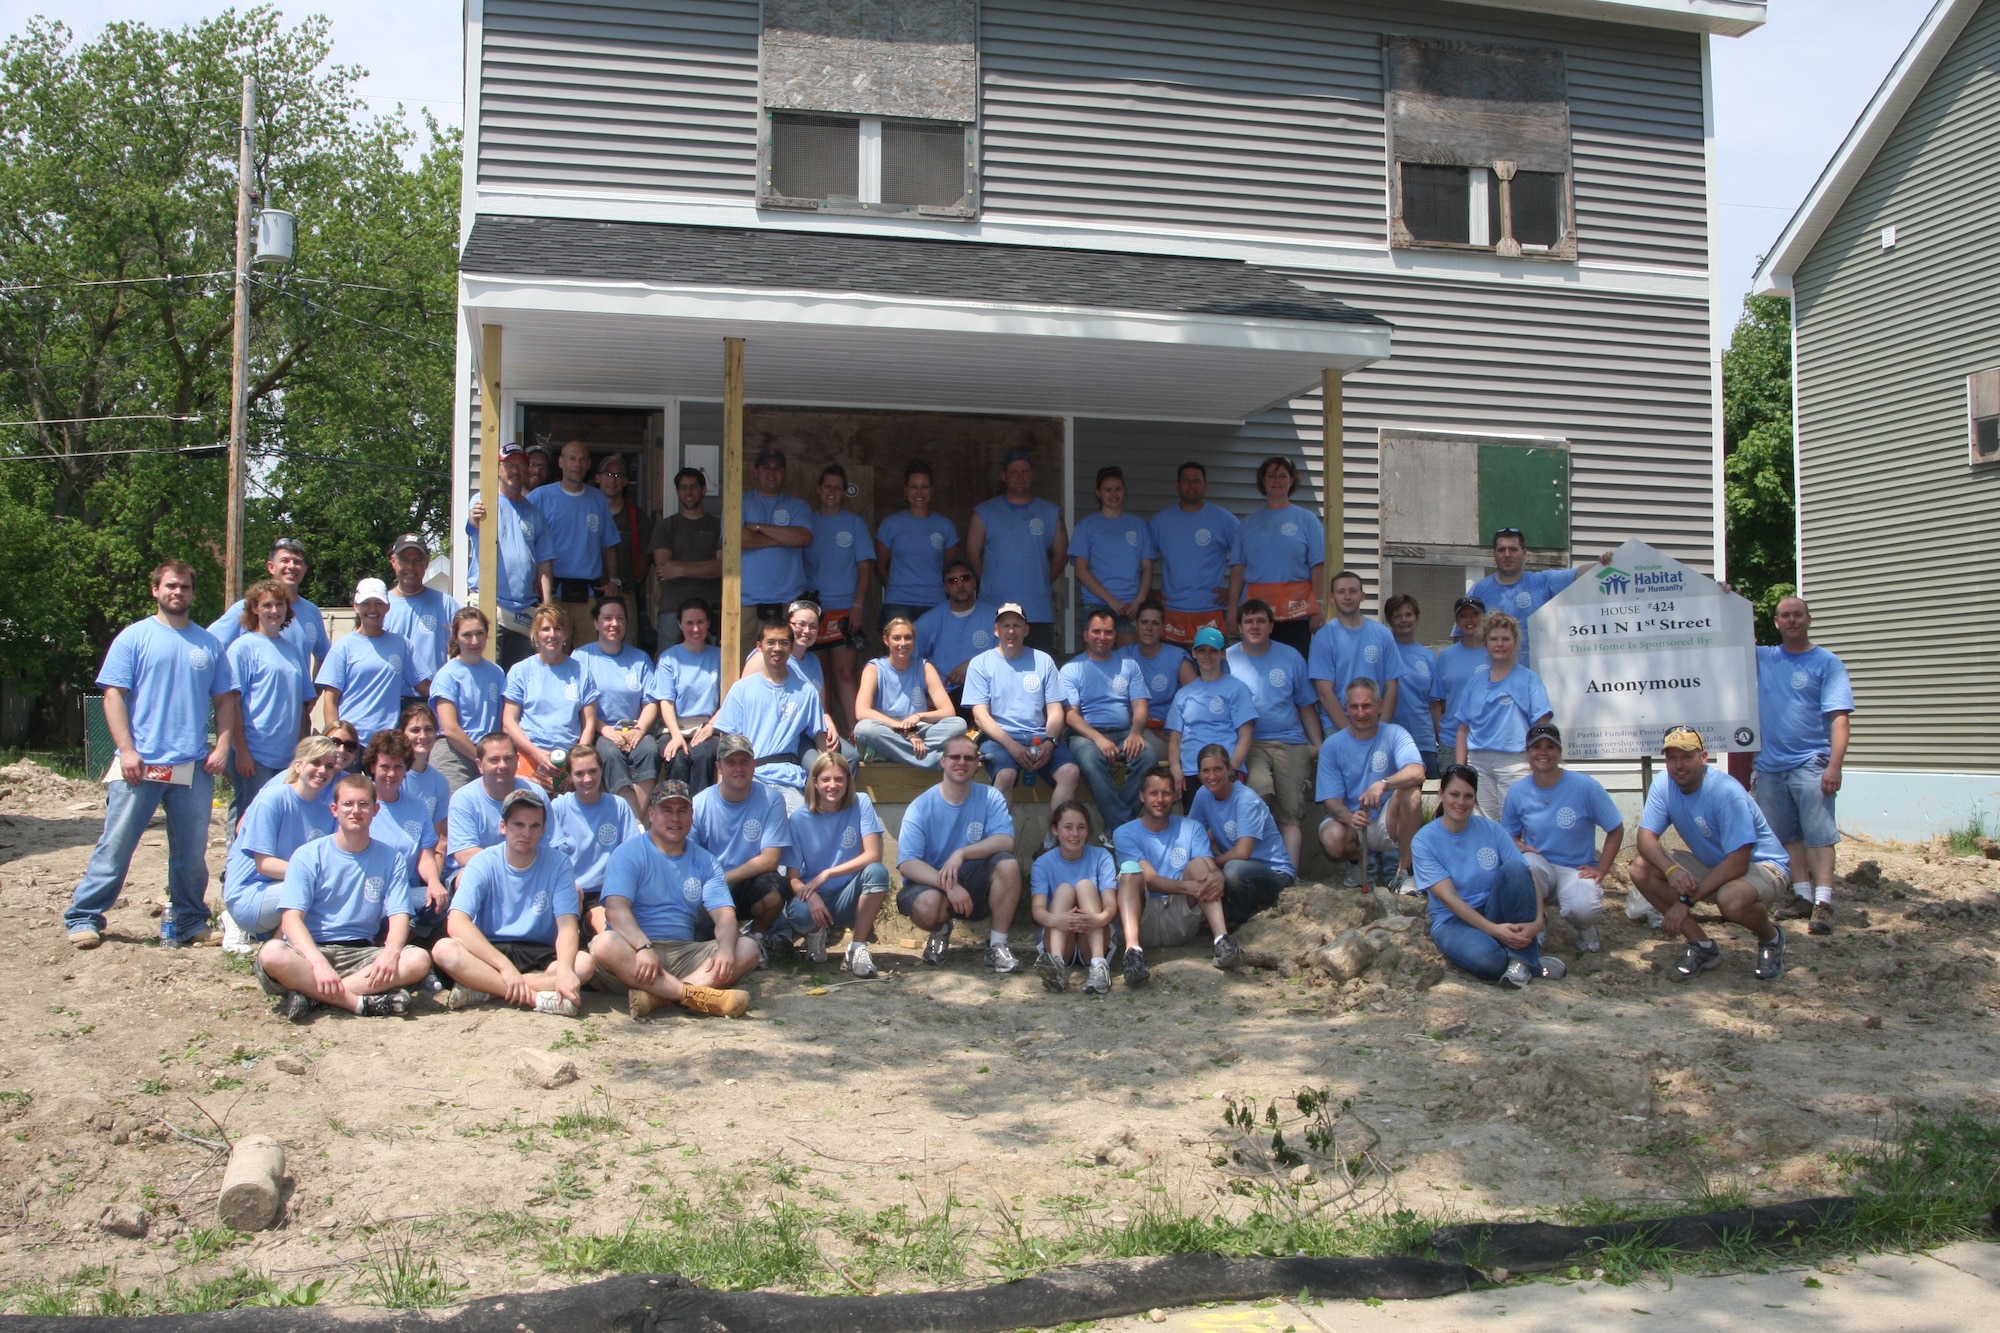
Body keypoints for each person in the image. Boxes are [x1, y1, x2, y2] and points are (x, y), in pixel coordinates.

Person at [66, 561, 238, 950]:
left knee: (192, 854)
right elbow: (113, 695)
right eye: (171, 586)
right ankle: (84, 917)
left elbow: (225, 699)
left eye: (186, 587)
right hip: (140, 765)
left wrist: (223, 746)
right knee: (117, 846)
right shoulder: (134, 638)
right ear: (155, 590)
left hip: (191, 766)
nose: (178, 593)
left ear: (194, 593)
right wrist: (126, 750)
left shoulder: (208, 644)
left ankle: (191, 920)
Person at [253, 774, 431, 1021]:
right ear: (334, 810)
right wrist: (317, 962)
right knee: (272, 953)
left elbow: (399, 914)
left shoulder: (392, 858)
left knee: (417, 959)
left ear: (375, 810)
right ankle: (358, 1003)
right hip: (311, 950)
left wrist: (391, 952)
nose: (355, 811)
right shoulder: (307, 856)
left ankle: (315, 995)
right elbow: (291, 919)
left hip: (361, 952)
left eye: (363, 804)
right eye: (348, 804)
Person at [1631, 727, 1791, 983]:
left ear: (1703, 757)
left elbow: (1738, 861)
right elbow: (1645, 838)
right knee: (1641, 868)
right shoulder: (1664, 783)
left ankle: (1770, 939)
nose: (1678, 765)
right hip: (1715, 865)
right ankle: (1702, 945)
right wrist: (1671, 870)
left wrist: (1684, 903)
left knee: (1732, 900)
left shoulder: (1726, 793)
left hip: (1762, 865)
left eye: (1686, 756)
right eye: (1671, 758)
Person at [591, 781, 755, 1018]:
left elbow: (725, 916)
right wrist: (643, 946)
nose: (675, 818)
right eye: (666, 810)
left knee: (746, 947)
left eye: (682, 811)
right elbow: (615, 910)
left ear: (691, 815)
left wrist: (727, 949)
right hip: (634, 953)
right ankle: (691, 995)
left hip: (684, 952)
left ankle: (661, 997)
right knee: (605, 944)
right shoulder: (628, 853)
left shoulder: (706, 861)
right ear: (651, 814)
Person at [435, 785, 593, 1016]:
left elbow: (567, 924)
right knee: (444, 950)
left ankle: (485, 989)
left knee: (583, 964)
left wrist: (566, 970)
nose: (526, 833)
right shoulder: (483, 862)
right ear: (503, 826)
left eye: (534, 826)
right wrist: (504, 966)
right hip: (491, 948)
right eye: (518, 824)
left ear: (543, 830)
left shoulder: (559, 864)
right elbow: (457, 923)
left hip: (539, 950)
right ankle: (534, 997)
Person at [1753, 596, 1855, 935]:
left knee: (1819, 836)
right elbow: (1727, 640)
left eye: (1798, 615)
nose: (1792, 620)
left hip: (1811, 762)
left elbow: (1840, 718)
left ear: (1808, 620)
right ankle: (1802, 896)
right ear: (1777, 623)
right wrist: (1728, 596)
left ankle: (1824, 902)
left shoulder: (1827, 663)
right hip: (1769, 765)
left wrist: (1834, 767)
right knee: (1787, 837)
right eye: (1785, 616)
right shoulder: (1764, 658)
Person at [1413, 765, 1558, 987]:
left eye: (1468, 796)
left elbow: (1524, 875)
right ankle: (1529, 962)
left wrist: (1537, 922)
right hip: (1453, 921)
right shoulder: (1424, 841)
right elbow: (1450, 899)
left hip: (1493, 909)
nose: (1460, 802)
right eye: (1454, 794)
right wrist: (1495, 931)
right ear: (1441, 793)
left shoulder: (1492, 830)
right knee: (1490, 962)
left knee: (1515, 869)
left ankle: (1520, 962)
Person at [895, 732, 1026, 973]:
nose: (962, 762)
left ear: (977, 764)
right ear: (943, 761)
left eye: (969, 758)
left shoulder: (990, 796)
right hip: (931, 881)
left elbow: (1006, 840)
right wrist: (947, 885)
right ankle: (940, 930)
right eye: (955, 757)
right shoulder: (921, 806)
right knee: (927, 907)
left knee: (1007, 865)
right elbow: (908, 862)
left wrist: (962, 853)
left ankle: (997, 945)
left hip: (973, 877)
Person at [1501, 722, 1622, 954]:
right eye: (1537, 747)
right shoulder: (1518, 791)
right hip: (1541, 864)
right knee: (1523, 866)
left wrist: (1602, 869)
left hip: (1576, 868)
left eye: (1550, 746)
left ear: (1559, 752)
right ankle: (1536, 921)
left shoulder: (1585, 787)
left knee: (1583, 909)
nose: (1543, 753)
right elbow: (1508, 832)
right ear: (1528, 753)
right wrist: (1519, 844)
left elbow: (1615, 828)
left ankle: (1585, 927)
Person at [1113, 769, 1244, 982]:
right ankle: (1133, 953)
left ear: (1175, 796)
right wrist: (1188, 887)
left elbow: (1209, 867)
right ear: (1142, 796)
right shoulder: (1124, 833)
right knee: (1129, 871)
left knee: (1201, 865)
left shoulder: (1192, 827)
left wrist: (1219, 876)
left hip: (1182, 915)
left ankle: (1222, 941)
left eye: (1166, 793)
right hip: (1146, 917)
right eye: (1153, 793)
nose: (1160, 799)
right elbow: (1150, 880)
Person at [219, 737, 342, 954]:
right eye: (316, 762)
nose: (322, 771)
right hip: (250, 893)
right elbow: (264, 865)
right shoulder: (273, 799)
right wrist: (314, 874)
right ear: (298, 765)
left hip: (287, 892)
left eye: (329, 766)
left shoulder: (327, 812)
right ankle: (279, 947)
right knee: (312, 884)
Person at [1225, 600, 1322, 864]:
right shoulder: (1228, 659)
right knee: (1258, 795)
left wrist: (1318, 744)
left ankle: (1288, 876)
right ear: (1240, 627)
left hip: (1289, 743)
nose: (1254, 626)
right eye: (1249, 621)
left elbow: (1305, 704)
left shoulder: (1291, 657)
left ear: (1271, 626)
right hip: (1250, 742)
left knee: (1290, 813)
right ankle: (1258, 866)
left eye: (1260, 621)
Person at [782, 751, 890, 974]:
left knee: (877, 872)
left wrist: (827, 874)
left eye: (839, 778)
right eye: (826, 779)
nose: (833, 785)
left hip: (849, 895)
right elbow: (792, 878)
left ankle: (858, 947)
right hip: (815, 897)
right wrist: (811, 895)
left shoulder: (861, 803)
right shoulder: (799, 819)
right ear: (815, 782)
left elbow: (872, 854)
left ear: (848, 781)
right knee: (797, 911)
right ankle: (815, 933)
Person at [966, 603, 1081, 809]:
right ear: (996, 630)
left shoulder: (1043, 661)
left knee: (1070, 773)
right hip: (1000, 738)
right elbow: (980, 716)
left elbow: (1055, 711)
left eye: (1017, 625)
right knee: (1006, 776)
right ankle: (1002, 839)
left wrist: (1050, 741)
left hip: (1040, 737)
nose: (1011, 631)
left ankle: (1052, 840)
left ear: (1026, 630)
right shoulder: (980, 663)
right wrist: (1012, 746)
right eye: (1005, 625)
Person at [1316, 679, 1425, 892]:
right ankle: (1359, 863)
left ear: (1380, 706)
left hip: (1387, 819)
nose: (1360, 713)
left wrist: (1383, 784)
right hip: (1353, 823)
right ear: (1346, 708)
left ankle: (1405, 872)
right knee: (1331, 839)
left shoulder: (1395, 734)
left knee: (1412, 793)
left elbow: (1417, 771)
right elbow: (1331, 802)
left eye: (1367, 705)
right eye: (1354, 706)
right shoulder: (1332, 746)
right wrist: (1349, 817)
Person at [224, 577, 314, 828]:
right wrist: (241, 751)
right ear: (254, 609)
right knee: (250, 818)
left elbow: (303, 706)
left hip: (286, 756)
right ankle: (237, 867)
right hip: (255, 754)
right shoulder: (242, 649)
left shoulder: (292, 650)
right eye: (267, 606)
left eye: (279, 605)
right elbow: (232, 704)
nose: (274, 611)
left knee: (283, 818)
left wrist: (302, 752)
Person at [691, 734, 793, 955]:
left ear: (754, 765)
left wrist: (724, 879)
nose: (739, 768)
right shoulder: (699, 804)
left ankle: (756, 937)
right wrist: (712, 884)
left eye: (744, 761)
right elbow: (686, 856)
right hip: (710, 886)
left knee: (775, 888)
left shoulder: (772, 799)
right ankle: (728, 942)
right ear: (718, 766)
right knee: (699, 937)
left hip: (748, 883)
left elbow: (771, 859)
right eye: (731, 762)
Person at [715, 618, 827, 811]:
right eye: (771, 642)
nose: (777, 648)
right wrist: (722, 788)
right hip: (750, 777)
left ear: (791, 646)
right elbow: (725, 741)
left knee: (799, 829)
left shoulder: (807, 692)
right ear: (759, 646)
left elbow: (820, 739)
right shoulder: (742, 689)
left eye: (783, 643)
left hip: (789, 779)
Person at [1448, 611, 1552, 820]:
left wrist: (1538, 766)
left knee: (1515, 822)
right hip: (1478, 763)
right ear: (1485, 643)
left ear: (1515, 643)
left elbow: (1542, 728)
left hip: (1515, 763)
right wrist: (1460, 770)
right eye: (1494, 639)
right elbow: (1463, 729)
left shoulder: (1529, 680)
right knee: (1485, 823)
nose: (1500, 644)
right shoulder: (1475, 682)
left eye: (1506, 639)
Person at [1060, 608, 1154, 828]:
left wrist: (1136, 733)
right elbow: (1070, 715)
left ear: (1115, 635)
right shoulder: (1072, 669)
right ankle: (1124, 826)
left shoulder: (1129, 665)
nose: (1102, 637)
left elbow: (1140, 705)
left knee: (1147, 757)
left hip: (1124, 733)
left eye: (1108, 632)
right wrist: (1097, 738)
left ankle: (1116, 826)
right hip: (1086, 735)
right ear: (1085, 635)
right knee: (1091, 760)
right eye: (1097, 632)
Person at [466, 438, 556, 666]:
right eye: (508, 464)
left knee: (520, 678)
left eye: (519, 464)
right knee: (489, 674)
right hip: (490, 604)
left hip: (524, 610)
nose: (514, 470)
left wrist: (547, 605)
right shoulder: (483, 500)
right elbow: (473, 522)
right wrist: (474, 518)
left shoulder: (535, 514)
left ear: (526, 469)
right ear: (498, 468)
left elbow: (544, 561)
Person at [1465, 528, 1612, 667]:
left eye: (1513, 549)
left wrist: (1605, 563)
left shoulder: (1542, 582)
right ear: (1494, 553)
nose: (1507, 554)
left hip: (1537, 676)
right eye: (1502, 550)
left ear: (1524, 553)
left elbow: (1579, 573)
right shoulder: (1480, 590)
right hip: (1494, 678)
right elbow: (1462, 638)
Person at [967, 449, 1066, 654]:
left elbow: (1062, 555)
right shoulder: (984, 513)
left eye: (1025, 472)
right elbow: (972, 556)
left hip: (1037, 611)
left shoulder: (1050, 512)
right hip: (994, 609)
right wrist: (990, 582)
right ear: (1004, 476)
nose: (1019, 477)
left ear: (1032, 475)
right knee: (996, 674)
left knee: (1036, 675)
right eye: (1013, 472)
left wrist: (1040, 580)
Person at [1188, 744, 1295, 930]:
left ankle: (1241, 921)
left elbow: (1243, 851)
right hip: (1236, 868)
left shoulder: (1245, 799)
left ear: (1230, 769)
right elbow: (1190, 835)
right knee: (1197, 863)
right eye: (1206, 771)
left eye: (1218, 769)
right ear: (1199, 773)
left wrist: (1214, 866)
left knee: (1232, 869)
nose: (1212, 776)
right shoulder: (1203, 795)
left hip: (1274, 873)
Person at [1225, 456, 1326, 653]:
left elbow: (1318, 566)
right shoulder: (1248, 525)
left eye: (1282, 476)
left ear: (1291, 480)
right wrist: (1231, 610)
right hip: (1256, 614)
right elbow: (1238, 571)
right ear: (1263, 481)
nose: (1276, 480)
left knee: (1294, 668)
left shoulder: (1307, 520)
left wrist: (1318, 607)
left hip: (1298, 614)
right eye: (1271, 476)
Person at [531, 439, 622, 648]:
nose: (577, 464)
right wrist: (532, 577)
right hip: (553, 594)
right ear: (561, 462)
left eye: (582, 460)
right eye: (572, 459)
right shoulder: (540, 497)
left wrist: (613, 580)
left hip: (588, 595)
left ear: (589, 465)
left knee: (588, 656)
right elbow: (525, 542)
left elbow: (609, 545)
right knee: (553, 655)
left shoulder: (598, 499)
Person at [576, 596, 662, 816]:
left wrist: (639, 730)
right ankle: (635, 822)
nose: (614, 624)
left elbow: (651, 701)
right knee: (609, 754)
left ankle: (635, 820)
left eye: (620, 618)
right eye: (607, 618)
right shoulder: (581, 657)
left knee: (650, 749)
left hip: (634, 729)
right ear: (596, 623)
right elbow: (580, 705)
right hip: (601, 730)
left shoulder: (640, 658)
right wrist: (606, 730)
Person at [361, 730, 448, 945]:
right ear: (372, 767)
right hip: (366, 896)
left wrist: (435, 883)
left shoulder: (416, 806)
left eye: (398, 767)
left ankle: (390, 945)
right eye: (384, 767)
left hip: (404, 894)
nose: (391, 773)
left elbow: (425, 855)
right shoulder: (359, 803)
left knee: (441, 902)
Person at [804, 463, 872, 735]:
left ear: (844, 492)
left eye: (837, 487)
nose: (832, 491)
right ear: (819, 489)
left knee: (845, 674)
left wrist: (857, 606)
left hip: (845, 608)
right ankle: (825, 736)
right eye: (827, 486)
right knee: (820, 678)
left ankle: (856, 736)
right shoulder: (807, 521)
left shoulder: (854, 523)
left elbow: (865, 568)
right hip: (814, 611)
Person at [502, 604, 601, 791]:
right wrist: (536, 754)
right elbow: (509, 722)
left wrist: (576, 762)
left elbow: (588, 723)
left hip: (569, 762)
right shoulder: (520, 671)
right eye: (545, 629)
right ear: (536, 634)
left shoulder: (582, 672)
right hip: (529, 759)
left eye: (557, 628)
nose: (552, 634)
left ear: (565, 634)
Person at [316, 578, 426, 745]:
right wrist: (335, 740)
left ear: (388, 606)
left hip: (386, 742)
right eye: (366, 603)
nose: (372, 609)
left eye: (379, 603)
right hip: (350, 742)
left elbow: (424, 686)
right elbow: (330, 700)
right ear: (356, 606)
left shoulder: (401, 644)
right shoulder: (343, 647)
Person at [853, 616, 968, 770]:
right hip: (888, 729)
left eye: (908, 638)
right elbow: (861, 711)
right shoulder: (874, 668)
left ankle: (889, 753)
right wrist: (903, 729)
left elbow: (948, 711)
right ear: (886, 640)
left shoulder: (924, 666)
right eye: (896, 638)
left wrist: (919, 716)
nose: (903, 643)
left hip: (918, 729)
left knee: (959, 724)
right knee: (864, 729)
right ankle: (933, 760)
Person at [548, 741, 640, 933]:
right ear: (570, 776)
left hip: (606, 892)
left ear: (601, 770)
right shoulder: (558, 807)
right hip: (569, 890)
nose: (587, 779)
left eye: (592, 771)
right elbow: (549, 856)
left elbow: (631, 853)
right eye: (579, 774)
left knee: (610, 936)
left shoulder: (618, 805)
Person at [1030, 801, 1119, 995]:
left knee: (1085, 885)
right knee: (1064, 890)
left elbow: (1111, 905)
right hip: (1060, 934)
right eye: (1068, 828)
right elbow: (1037, 910)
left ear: (1088, 830)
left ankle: (1098, 966)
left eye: (1081, 828)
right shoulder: (1043, 863)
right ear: (1055, 829)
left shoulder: (1101, 856)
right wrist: (1058, 920)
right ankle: (1056, 965)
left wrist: (1099, 919)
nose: (1075, 834)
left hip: (1093, 933)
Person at [208, 537, 332, 674]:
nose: (291, 566)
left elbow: (325, 657)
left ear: (304, 569)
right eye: (284, 561)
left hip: (296, 695)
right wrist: (223, 691)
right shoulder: (246, 607)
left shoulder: (312, 612)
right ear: (271, 567)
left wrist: (313, 693)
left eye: (297, 562)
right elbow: (210, 648)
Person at [1149, 461, 1239, 648]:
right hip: (1171, 612)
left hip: (1211, 610)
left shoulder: (1223, 520)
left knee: (1213, 673)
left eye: (1196, 481)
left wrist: (1233, 590)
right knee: (1173, 674)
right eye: (1186, 481)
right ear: (1178, 485)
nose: (1191, 486)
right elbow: (1138, 561)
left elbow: (1248, 556)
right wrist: (1148, 592)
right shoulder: (1160, 521)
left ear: (1205, 485)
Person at [737, 599, 843, 757]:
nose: (806, 631)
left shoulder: (814, 661)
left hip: (814, 729)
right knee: (815, 764)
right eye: (800, 624)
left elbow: (821, 708)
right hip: (785, 731)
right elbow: (742, 697)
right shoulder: (765, 656)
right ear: (788, 625)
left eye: (813, 626)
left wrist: (827, 720)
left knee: (849, 757)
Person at [1164, 626, 1256, 805]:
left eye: (1213, 651)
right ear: (1194, 653)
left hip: (1224, 770)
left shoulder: (1237, 689)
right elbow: (1175, 739)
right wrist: (1176, 768)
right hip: (1192, 771)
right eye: (1202, 650)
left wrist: (1232, 770)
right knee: (1195, 827)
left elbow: (1246, 735)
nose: (1207, 656)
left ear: (1223, 654)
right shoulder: (1184, 694)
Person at [1307, 570, 1402, 735]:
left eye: (1353, 591)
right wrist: (1350, 734)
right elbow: (1324, 692)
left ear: (1363, 596)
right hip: (1337, 727)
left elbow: (1392, 687)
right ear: (1332, 597)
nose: (1347, 597)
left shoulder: (1382, 634)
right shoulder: (1323, 638)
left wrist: (1382, 729)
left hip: (1376, 725)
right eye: (1341, 592)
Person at [1069, 466, 1155, 643]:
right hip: (1097, 604)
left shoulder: (1138, 525)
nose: (1113, 494)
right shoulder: (1087, 525)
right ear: (1098, 493)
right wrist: (1111, 601)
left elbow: (1147, 567)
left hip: (1130, 605)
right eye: (1107, 490)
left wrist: (1140, 600)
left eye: (1118, 489)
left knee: (1127, 663)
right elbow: (1081, 570)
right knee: (1096, 663)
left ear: (1125, 491)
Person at [873, 458, 959, 629]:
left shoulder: (945, 526)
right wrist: (896, 589)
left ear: (932, 490)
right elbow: (880, 566)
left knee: (934, 655)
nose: (919, 492)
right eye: (913, 486)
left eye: (924, 486)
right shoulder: (891, 524)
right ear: (905, 490)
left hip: (935, 602)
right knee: (897, 655)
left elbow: (950, 569)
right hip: (898, 603)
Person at [445, 732, 548, 874]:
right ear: (479, 765)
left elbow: (550, 844)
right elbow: (465, 855)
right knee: (465, 876)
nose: (503, 765)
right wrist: (512, 866)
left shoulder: (535, 793)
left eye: (508, 758)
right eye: (494, 760)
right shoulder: (463, 799)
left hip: (528, 870)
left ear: (517, 760)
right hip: (478, 871)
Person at [428, 607, 507, 791]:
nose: (474, 641)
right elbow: (450, 728)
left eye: (480, 633)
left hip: (490, 756)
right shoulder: (447, 675)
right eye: (467, 635)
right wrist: (480, 758)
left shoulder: (497, 672)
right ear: (456, 637)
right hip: (455, 755)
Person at [645, 467, 722, 648]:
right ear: (678, 492)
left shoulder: (718, 526)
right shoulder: (666, 526)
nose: (689, 492)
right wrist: (705, 567)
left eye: (694, 487)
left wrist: (679, 569)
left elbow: (721, 567)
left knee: (709, 663)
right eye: (683, 487)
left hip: (709, 607)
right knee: (668, 662)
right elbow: (664, 568)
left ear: (704, 490)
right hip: (673, 608)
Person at [653, 598, 722, 793]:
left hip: (707, 727)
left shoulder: (720, 656)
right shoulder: (668, 658)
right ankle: (676, 809)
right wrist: (676, 736)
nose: (695, 628)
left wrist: (711, 727)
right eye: (689, 623)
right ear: (679, 625)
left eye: (700, 622)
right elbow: (665, 702)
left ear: (708, 623)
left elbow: (727, 700)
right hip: (675, 727)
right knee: (677, 757)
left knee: (705, 755)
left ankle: (699, 812)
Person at [913, 560, 999, 709]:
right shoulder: (928, 622)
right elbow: (909, 663)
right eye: (953, 581)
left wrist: (972, 665)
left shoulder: (995, 618)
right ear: (945, 588)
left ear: (974, 582)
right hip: (944, 699)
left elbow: (1008, 657)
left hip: (988, 696)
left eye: (965, 578)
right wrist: (925, 697)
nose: (960, 585)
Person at [741, 444, 813, 617]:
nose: (771, 472)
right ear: (756, 472)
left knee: (789, 645)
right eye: (766, 467)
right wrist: (783, 538)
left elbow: (803, 538)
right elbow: (737, 539)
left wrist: (759, 528)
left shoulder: (798, 506)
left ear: (785, 473)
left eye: (777, 468)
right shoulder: (739, 502)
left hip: (789, 601)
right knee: (745, 645)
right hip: (746, 602)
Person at [383, 533, 459, 683]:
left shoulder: (446, 604)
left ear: (426, 563)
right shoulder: (380, 606)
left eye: (417, 560)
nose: (410, 567)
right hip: (389, 698)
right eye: (404, 560)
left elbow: (463, 650)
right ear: (393, 561)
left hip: (430, 697)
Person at [1383, 593, 1441, 778]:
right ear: (1389, 620)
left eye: (1408, 614)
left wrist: (1441, 740)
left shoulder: (1428, 656)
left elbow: (1434, 705)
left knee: (1429, 801)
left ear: (1416, 618)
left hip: (1423, 741)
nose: (1403, 620)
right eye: (1397, 615)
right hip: (1388, 739)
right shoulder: (1383, 651)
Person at [1121, 599, 1195, 740]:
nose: (1149, 628)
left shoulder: (1177, 658)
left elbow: (1198, 699)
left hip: (1164, 734)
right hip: (1130, 729)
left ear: (1163, 628)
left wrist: (1176, 735)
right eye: (1144, 622)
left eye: (1155, 623)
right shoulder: (1123, 656)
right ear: (1135, 624)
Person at [1429, 596, 1489, 758]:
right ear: (1456, 621)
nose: (1469, 620)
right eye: (1463, 616)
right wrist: (1441, 734)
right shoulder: (1446, 656)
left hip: (1487, 741)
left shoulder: (1495, 653)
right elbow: (1437, 702)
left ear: (1484, 617)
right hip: (1451, 741)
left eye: (1474, 614)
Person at [594, 452, 647, 617]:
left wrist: (632, 583)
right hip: (592, 592)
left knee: (627, 640)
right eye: (608, 474)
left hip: (625, 592)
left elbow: (645, 556)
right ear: (598, 478)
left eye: (618, 475)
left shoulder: (637, 516)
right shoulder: (586, 513)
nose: (613, 479)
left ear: (625, 482)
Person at [395, 702, 452, 849]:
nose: (423, 736)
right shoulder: (393, 776)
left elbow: (436, 837)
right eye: (415, 730)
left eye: (428, 729)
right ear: (402, 734)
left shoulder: (440, 782)